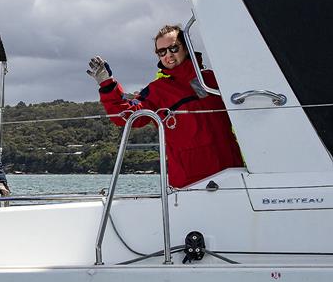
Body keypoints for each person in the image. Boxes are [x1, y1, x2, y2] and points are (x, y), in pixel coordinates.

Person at [87, 24, 243, 188]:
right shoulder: (156, 91)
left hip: (233, 172)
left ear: (187, 47)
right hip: (190, 182)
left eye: (173, 48)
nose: (168, 55)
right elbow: (127, 117)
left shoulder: (213, 79)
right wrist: (106, 84)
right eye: (162, 52)